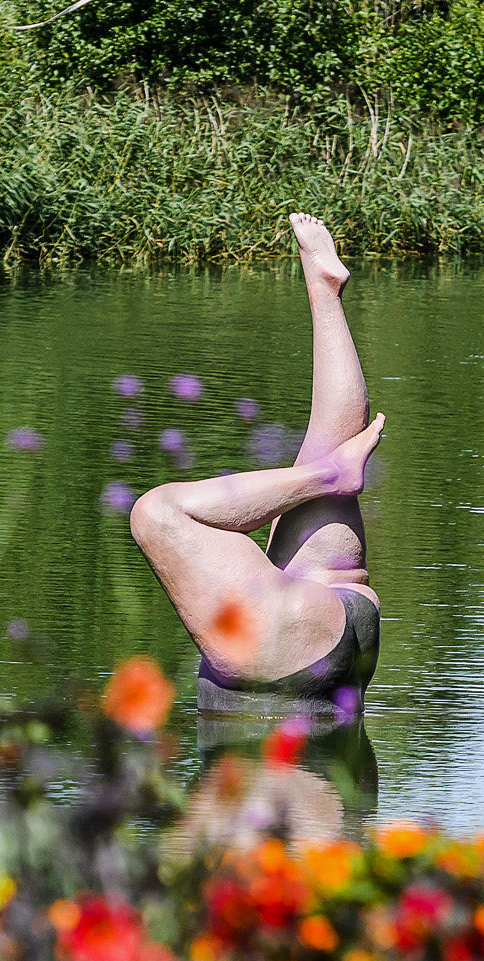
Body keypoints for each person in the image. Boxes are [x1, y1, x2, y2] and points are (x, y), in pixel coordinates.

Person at [129, 213, 385, 720]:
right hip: (334, 623)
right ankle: (324, 291)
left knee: (157, 512)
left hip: (294, 649)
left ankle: (330, 472)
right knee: (323, 448)